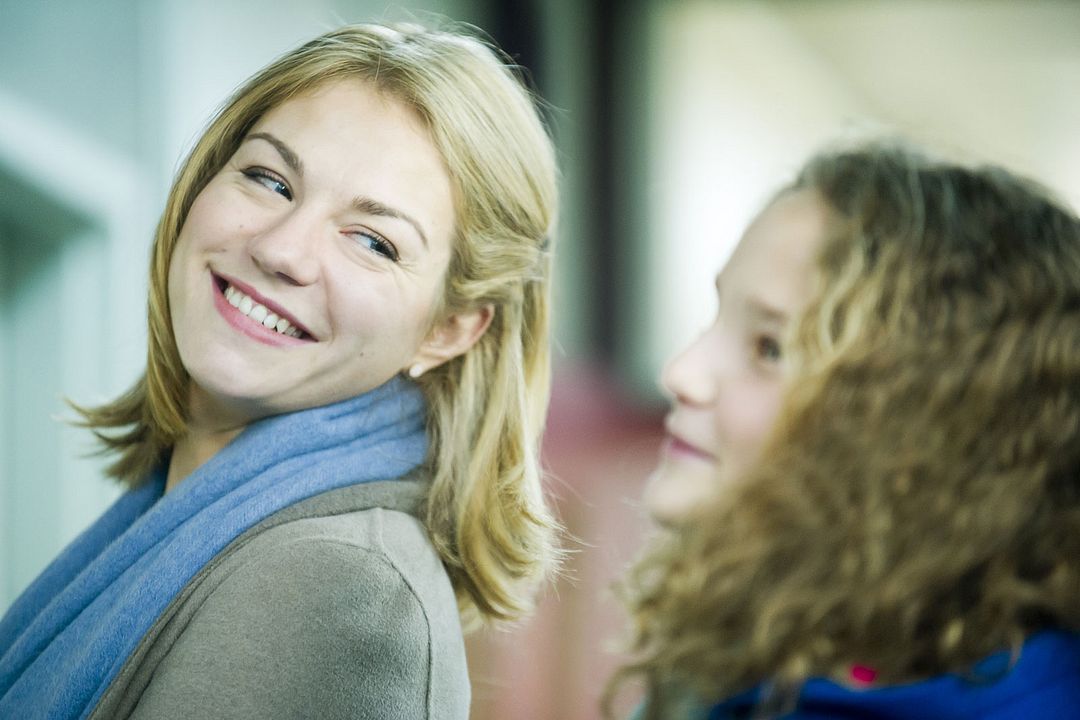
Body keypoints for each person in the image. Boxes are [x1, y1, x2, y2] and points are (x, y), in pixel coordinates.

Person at [0, 20, 559, 720]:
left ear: (448, 330)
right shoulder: (182, 512)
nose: (281, 250)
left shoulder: (341, 589)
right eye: (270, 180)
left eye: (373, 242)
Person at [611, 142, 1080, 718]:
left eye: (769, 348)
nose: (681, 372)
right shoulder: (769, 653)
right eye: (716, 317)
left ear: (920, 427)